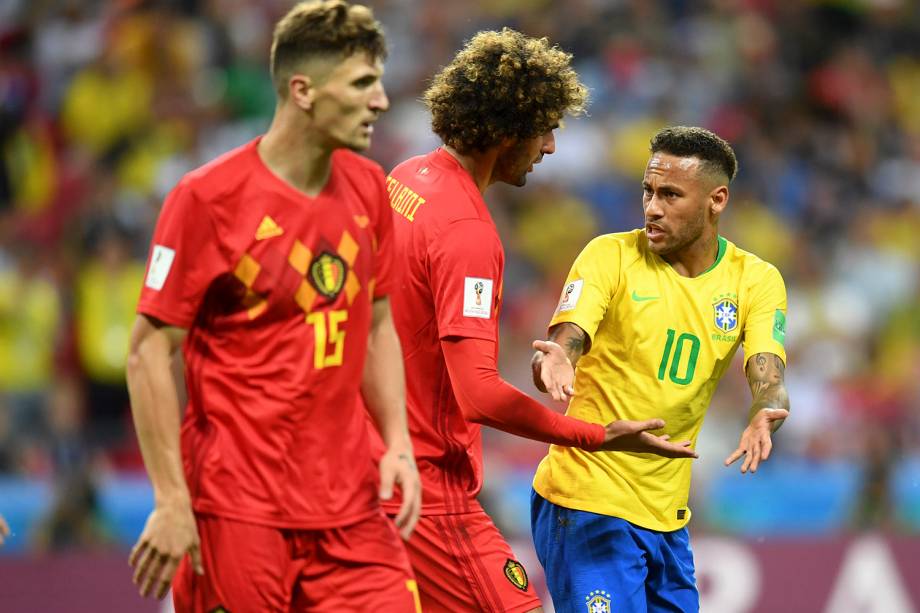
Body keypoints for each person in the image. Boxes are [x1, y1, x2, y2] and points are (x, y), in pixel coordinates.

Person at [376, 29, 696, 613]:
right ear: (505, 131)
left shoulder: (405, 180)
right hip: (430, 489)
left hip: (376, 468)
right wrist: (597, 436)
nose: (549, 146)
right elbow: (478, 396)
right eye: (543, 128)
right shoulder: (467, 233)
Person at [126, 2, 421, 611]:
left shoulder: (369, 188)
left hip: (350, 505)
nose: (382, 101)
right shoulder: (207, 200)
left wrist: (397, 442)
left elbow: (376, 327)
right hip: (239, 506)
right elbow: (149, 348)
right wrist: (171, 499)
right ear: (303, 90)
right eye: (363, 84)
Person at [530, 126, 791, 613]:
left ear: (717, 200)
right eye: (648, 191)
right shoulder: (610, 255)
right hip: (586, 497)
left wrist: (767, 408)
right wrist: (558, 355)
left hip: (667, 515)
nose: (652, 207)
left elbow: (767, 369)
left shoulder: (756, 281)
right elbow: (568, 335)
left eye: (670, 195)